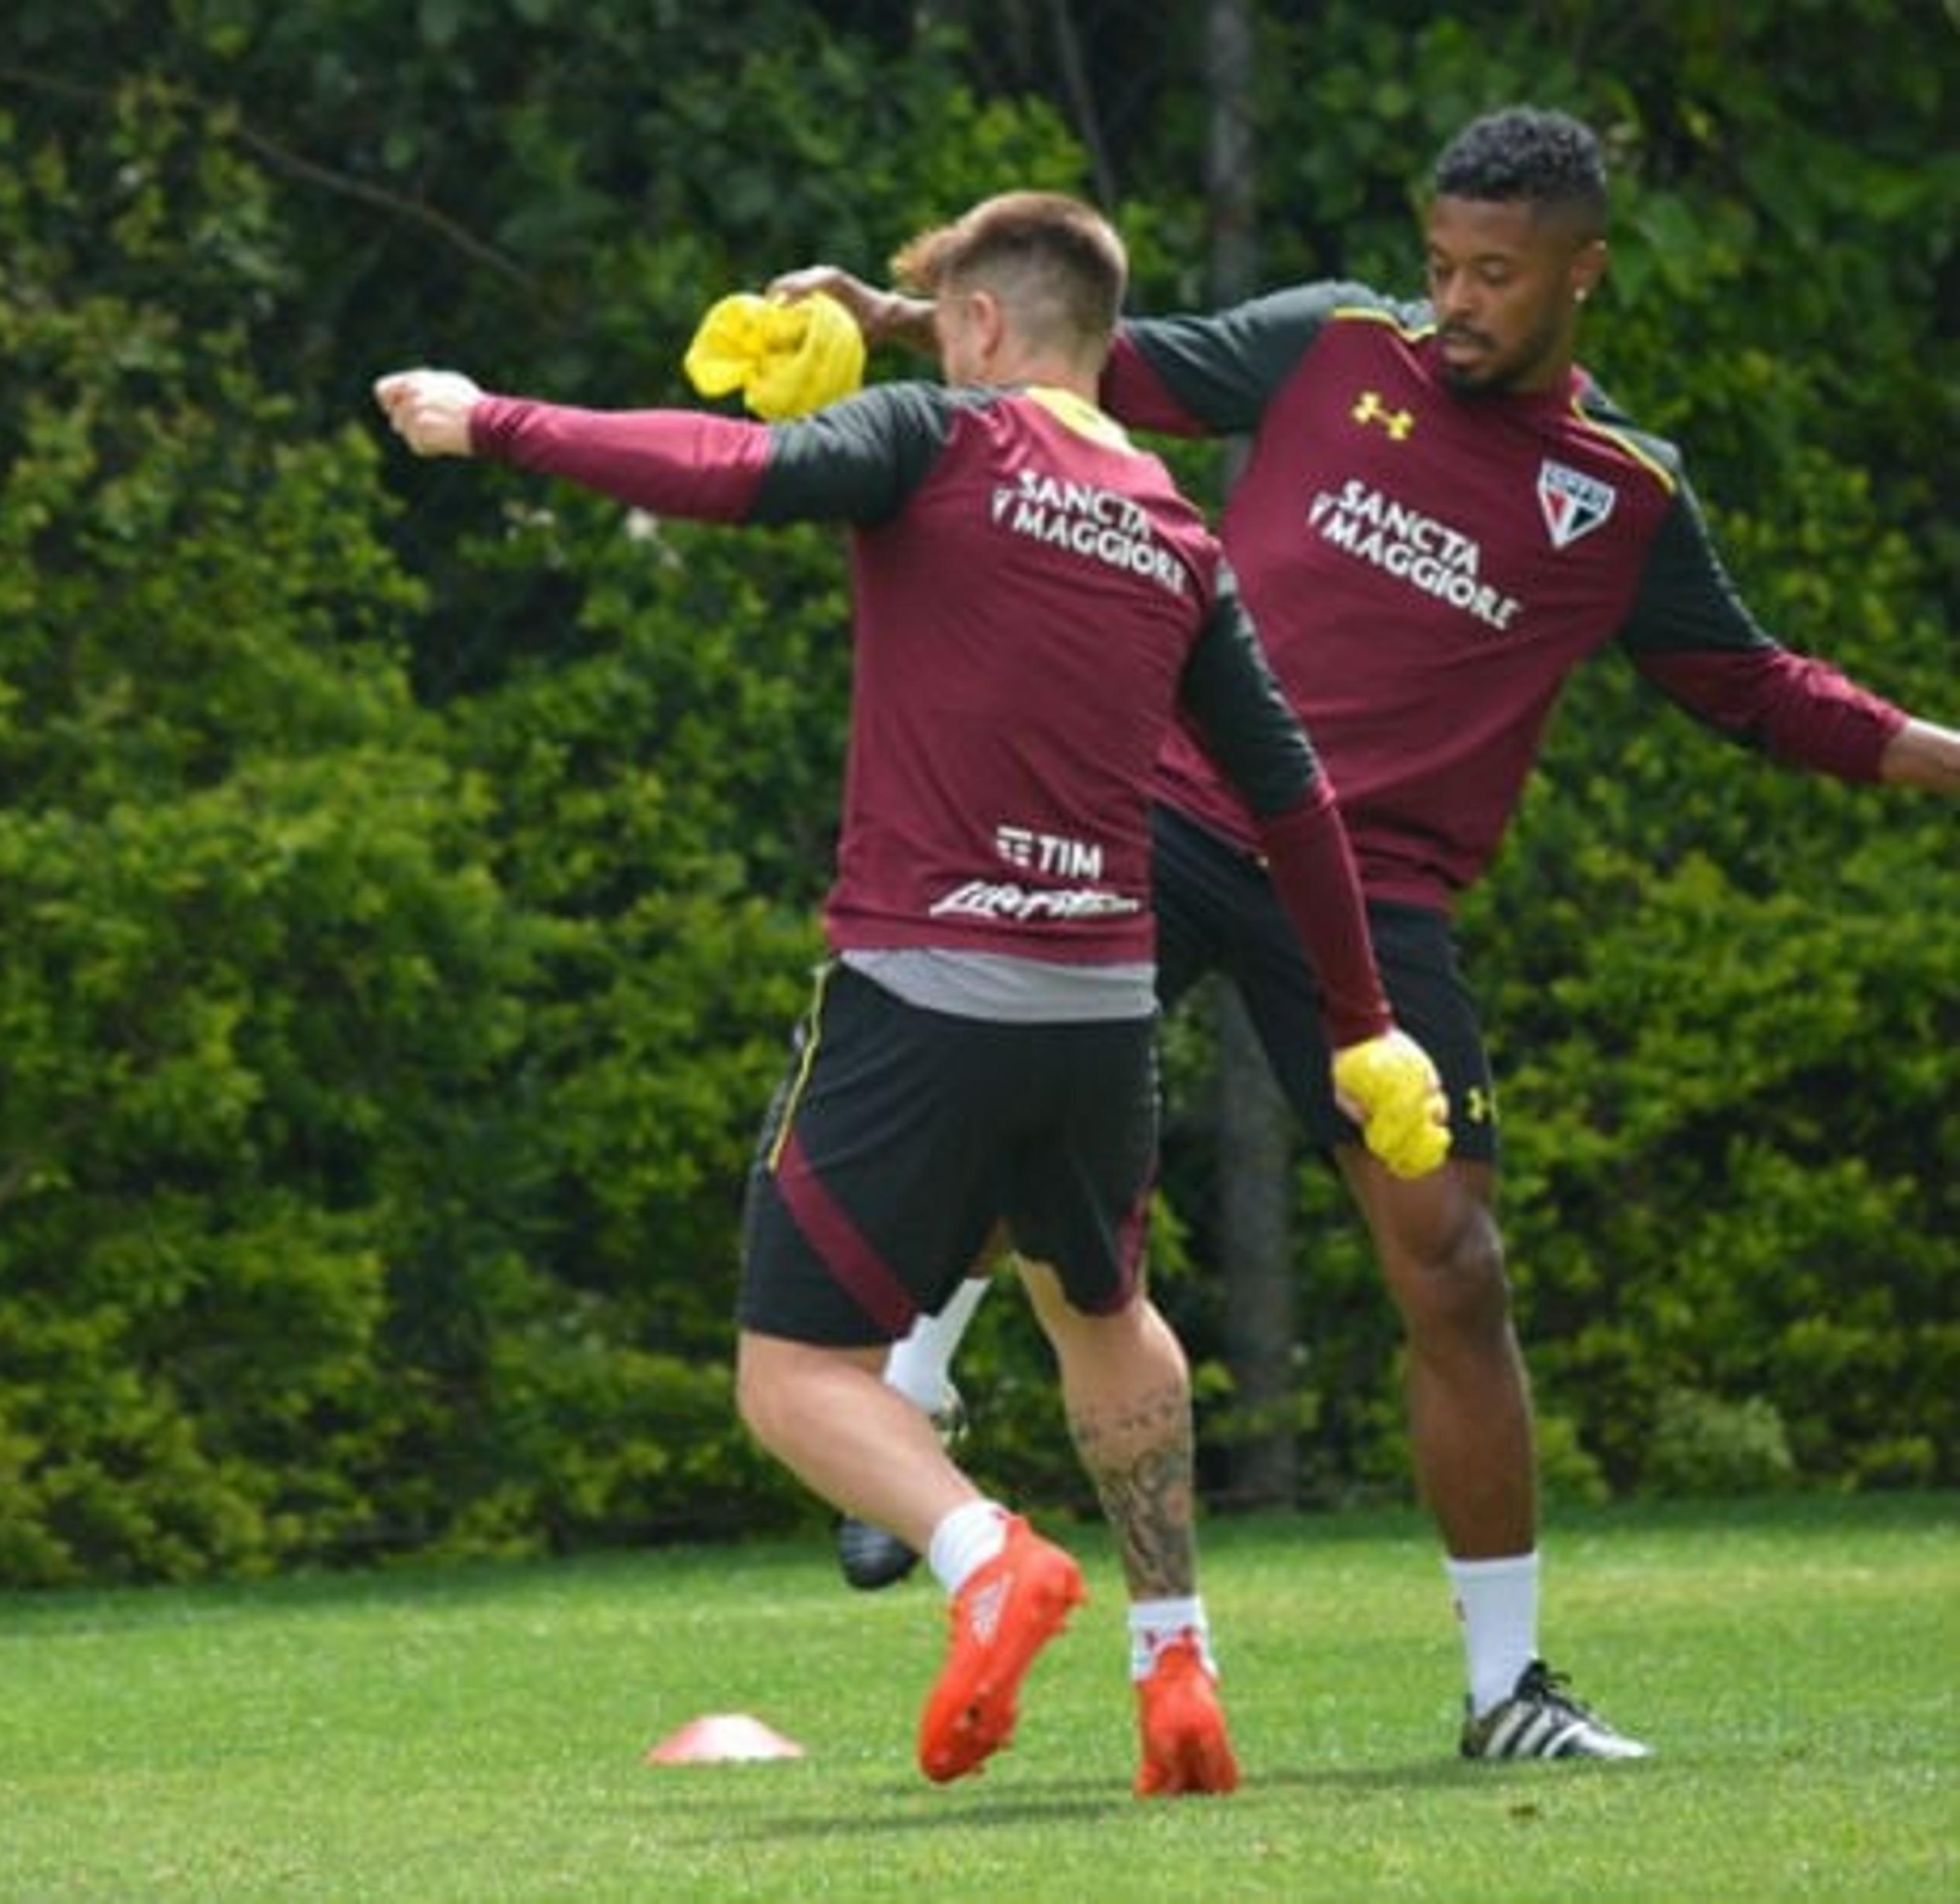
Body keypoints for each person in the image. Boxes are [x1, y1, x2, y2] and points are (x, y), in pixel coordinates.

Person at [778, 105, 1960, 1762]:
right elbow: (1092, 368)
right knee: (1008, 1084)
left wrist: (1942, 759)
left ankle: (1506, 1690)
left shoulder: (1618, 495)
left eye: (1495, 275)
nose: (1455, 301)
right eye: (1442, 265)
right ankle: (911, 1388)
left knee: (1454, 1267)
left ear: (1583, 275)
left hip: (1377, 895)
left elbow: (1760, 691)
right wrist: (906, 324)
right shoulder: (1331, 343)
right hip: (1174, 816)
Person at [376, 192, 1450, 1797]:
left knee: (791, 1375)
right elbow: (1293, 796)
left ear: (988, 330)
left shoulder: (939, 442)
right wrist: (1363, 1020)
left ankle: (982, 1556)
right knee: (1105, 1314)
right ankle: (1180, 1672)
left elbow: (727, 467)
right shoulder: (1175, 528)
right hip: (1100, 1006)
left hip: (924, 986)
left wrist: (492, 423)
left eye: (944, 319)